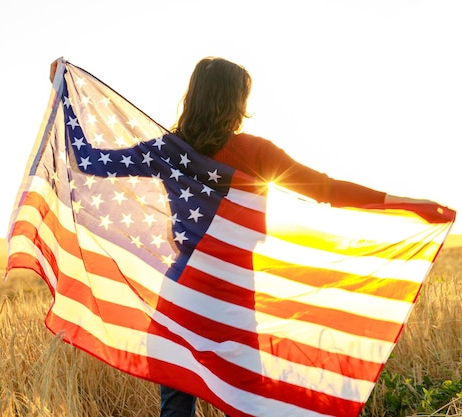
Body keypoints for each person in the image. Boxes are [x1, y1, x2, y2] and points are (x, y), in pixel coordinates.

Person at [50, 56, 437, 417]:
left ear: (193, 95)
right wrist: (402, 202)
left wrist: (63, 93)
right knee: (250, 398)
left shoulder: (169, 150)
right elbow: (326, 189)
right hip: (234, 288)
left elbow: (89, 160)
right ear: (237, 101)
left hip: (186, 285)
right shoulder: (256, 151)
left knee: (175, 393)